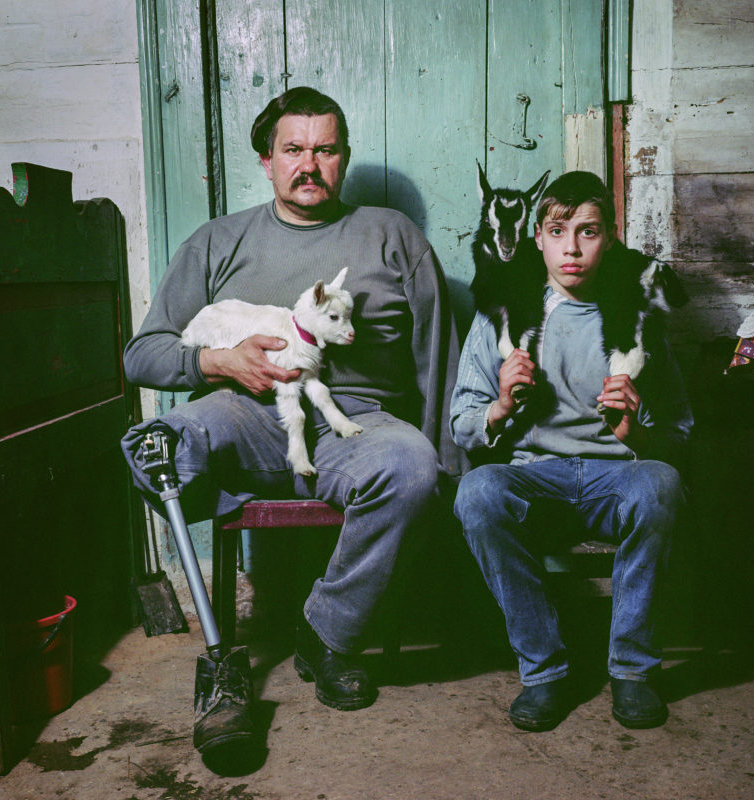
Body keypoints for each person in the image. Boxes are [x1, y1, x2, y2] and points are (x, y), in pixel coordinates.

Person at [121, 86, 464, 753]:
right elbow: (143, 354)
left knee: (412, 464)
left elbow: (438, 365)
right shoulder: (219, 240)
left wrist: (449, 471)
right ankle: (222, 662)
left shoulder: (392, 237)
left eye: (326, 149)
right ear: (266, 159)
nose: (310, 164)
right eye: (294, 149)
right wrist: (219, 361)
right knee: (154, 445)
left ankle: (328, 633)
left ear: (344, 157)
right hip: (243, 414)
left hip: (351, 427)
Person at [449, 170, 692, 732]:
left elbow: (679, 436)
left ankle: (632, 672)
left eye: (588, 232)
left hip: (617, 478)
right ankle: (544, 671)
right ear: (538, 237)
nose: (573, 248)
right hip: (536, 476)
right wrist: (503, 405)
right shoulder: (505, 314)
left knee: (660, 485)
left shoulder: (638, 319)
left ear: (609, 236)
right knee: (478, 493)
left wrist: (636, 431)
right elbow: (463, 424)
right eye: (559, 231)